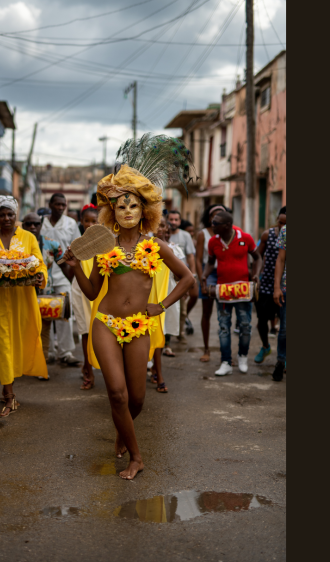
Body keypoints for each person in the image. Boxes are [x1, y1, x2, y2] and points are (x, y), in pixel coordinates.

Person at [62, 134, 194, 480]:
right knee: (117, 394)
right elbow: (91, 293)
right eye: (121, 206)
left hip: (139, 325)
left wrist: (160, 306)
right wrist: (74, 267)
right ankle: (136, 457)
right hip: (105, 322)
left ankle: (124, 431)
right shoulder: (102, 246)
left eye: (134, 205)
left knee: (137, 399)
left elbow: (188, 278)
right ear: (112, 212)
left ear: (145, 211)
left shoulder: (158, 245)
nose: (127, 211)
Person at [0, 196, 49, 417]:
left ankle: (6, 383)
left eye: (10, 214)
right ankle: (10, 397)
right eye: (2, 214)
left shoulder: (28, 237)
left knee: (23, 339)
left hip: (23, 299)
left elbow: (40, 263)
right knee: (2, 342)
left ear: (15, 215)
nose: (6, 218)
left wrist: (40, 277)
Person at [202, 210, 260, 376]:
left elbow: (257, 257)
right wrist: (204, 276)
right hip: (224, 291)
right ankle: (226, 362)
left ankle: (242, 357)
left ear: (227, 225)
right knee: (224, 327)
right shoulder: (213, 242)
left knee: (245, 326)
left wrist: (256, 274)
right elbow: (211, 263)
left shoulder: (245, 238)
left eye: (216, 224)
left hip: (243, 290)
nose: (212, 226)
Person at [22, 212, 75, 372]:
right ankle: (24, 362)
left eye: (36, 224)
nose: (33, 227)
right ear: (23, 226)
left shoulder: (52, 245)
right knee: (25, 329)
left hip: (45, 294)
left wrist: (76, 281)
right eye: (29, 224)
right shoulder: (16, 245)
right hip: (21, 294)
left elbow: (65, 267)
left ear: (41, 225)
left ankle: (42, 364)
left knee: (44, 330)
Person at [40, 193, 81, 366]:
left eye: (63, 204)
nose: (60, 207)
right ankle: (46, 351)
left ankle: (65, 352)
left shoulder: (71, 224)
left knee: (65, 312)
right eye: (57, 204)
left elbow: (78, 247)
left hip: (63, 274)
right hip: (43, 275)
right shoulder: (40, 223)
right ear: (50, 204)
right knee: (44, 312)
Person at [149, 218, 187, 393]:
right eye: (156, 225)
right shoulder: (145, 248)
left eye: (163, 225)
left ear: (167, 229)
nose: (160, 229)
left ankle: (157, 370)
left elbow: (182, 276)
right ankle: (156, 372)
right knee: (151, 333)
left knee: (161, 334)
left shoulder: (172, 250)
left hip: (166, 294)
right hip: (149, 293)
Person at [189, 204, 227, 362]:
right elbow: (198, 260)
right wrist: (202, 280)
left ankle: (226, 353)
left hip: (225, 272)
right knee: (207, 312)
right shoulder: (203, 234)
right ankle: (206, 349)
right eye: (214, 215)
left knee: (225, 314)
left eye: (221, 214)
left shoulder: (229, 232)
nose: (217, 218)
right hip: (208, 273)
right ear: (209, 217)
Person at [252, 206, 286, 365]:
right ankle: (265, 346)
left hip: (285, 285)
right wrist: (256, 273)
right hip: (266, 284)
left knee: (284, 325)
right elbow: (257, 254)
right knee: (261, 320)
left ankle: (283, 356)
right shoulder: (268, 235)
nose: (282, 227)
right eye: (280, 223)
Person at [72, 205, 99, 390]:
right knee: (85, 331)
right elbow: (70, 266)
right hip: (79, 289)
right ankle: (88, 370)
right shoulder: (76, 243)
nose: (90, 225)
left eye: (94, 221)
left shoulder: (106, 244)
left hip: (98, 290)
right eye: (86, 221)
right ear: (81, 222)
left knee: (100, 330)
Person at [166, 210, 197, 341]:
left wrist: (193, 276)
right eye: (171, 219)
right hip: (167, 278)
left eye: (176, 220)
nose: (173, 222)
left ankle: (180, 333)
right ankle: (167, 336)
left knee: (182, 308)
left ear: (179, 221)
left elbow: (190, 256)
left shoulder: (185, 236)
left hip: (181, 278)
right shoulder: (162, 235)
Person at [272, 224, 287, 381]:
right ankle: (281, 361)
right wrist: (277, 287)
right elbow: (281, 259)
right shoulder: (286, 230)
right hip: (286, 288)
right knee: (284, 329)